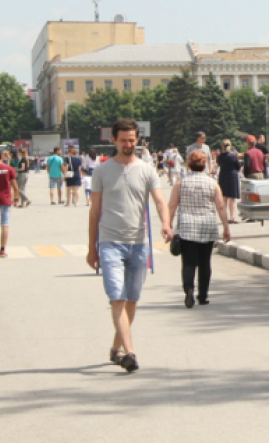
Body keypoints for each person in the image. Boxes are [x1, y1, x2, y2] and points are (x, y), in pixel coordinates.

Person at [86, 119, 171, 373]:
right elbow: (95, 211)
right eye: (123, 140)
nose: (128, 144)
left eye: (132, 139)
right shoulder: (102, 171)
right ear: (113, 140)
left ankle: (116, 348)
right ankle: (129, 352)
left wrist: (166, 223)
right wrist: (92, 248)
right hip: (110, 243)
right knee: (118, 298)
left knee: (131, 300)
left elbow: (159, 200)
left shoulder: (146, 170)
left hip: (137, 244)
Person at [168, 152, 231, 307]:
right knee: (205, 262)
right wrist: (226, 227)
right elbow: (221, 206)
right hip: (207, 226)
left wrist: (168, 225)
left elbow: (172, 205)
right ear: (205, 165)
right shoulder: (212, 183)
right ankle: (203, 295)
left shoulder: (180, 183)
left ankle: (189, 289)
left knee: (188, 262)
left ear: (188, 164)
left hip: (187, 227)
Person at [216, 139, 241, 223]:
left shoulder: (220, 156)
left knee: (224, 197)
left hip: (223, 176)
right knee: (232, 198)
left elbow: (218, 164)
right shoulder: (233, 156)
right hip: (232, 176)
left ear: (222, 146)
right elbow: (238, 167)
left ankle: (224, 216)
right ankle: (232, 216)